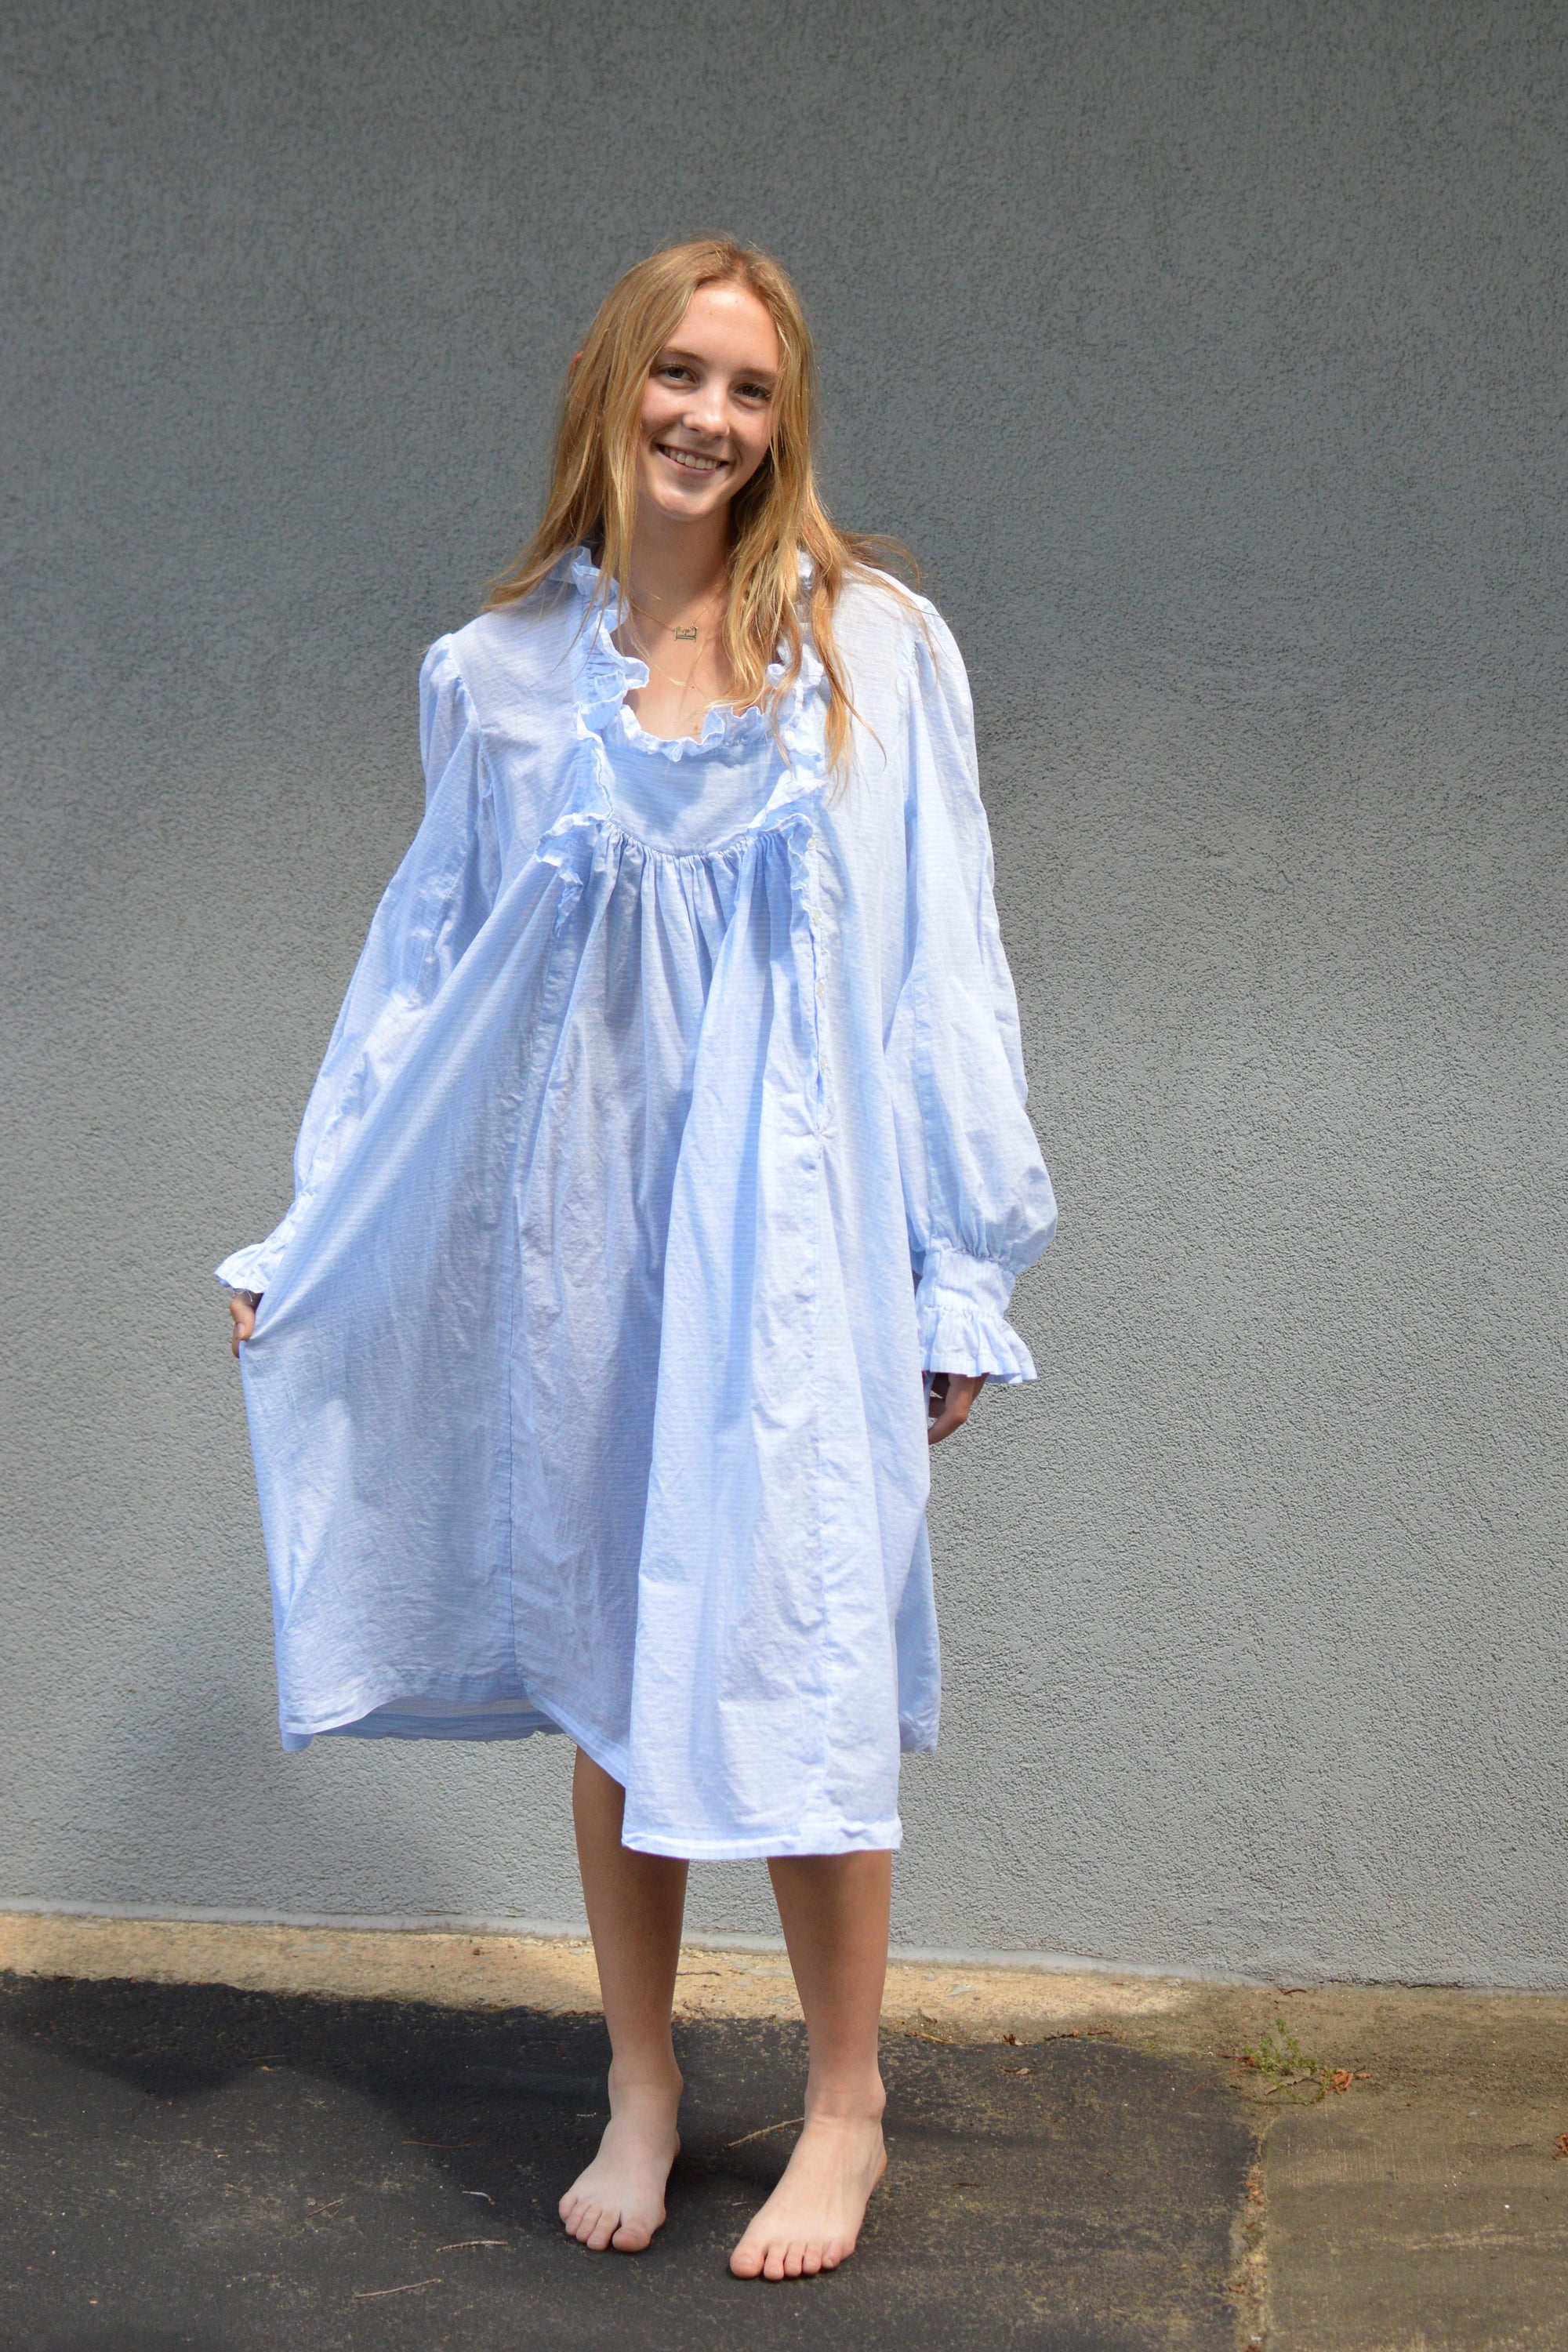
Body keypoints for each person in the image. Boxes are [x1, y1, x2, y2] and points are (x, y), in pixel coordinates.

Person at [220, 236, 1057, 2282]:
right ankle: (644, 2079)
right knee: (613, 1654)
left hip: (798, 1252)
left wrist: (966, 1269)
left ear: (788, 424)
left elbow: (948, 976)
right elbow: (420, 979)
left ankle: (846, 2100)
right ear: (611, 385)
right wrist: (312, 1222)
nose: (710, 418)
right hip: (586, 1240)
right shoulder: (497, 677)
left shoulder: (878, 649)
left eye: (752, 390)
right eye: (680, 374)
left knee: (806, 1641)